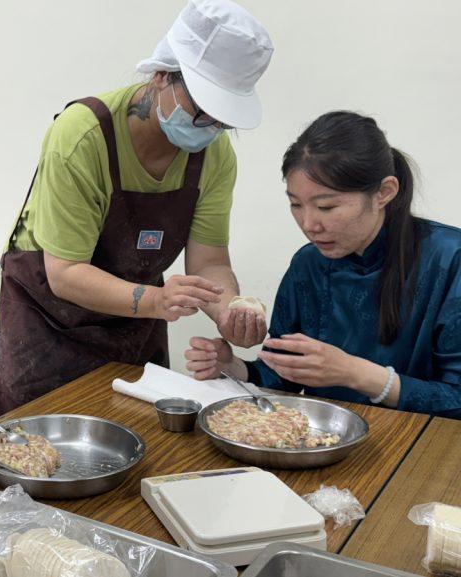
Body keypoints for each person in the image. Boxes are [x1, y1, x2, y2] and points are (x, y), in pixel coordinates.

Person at [0, 0, 275, 416]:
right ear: (162, 75)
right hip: (47, 323)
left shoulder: (215, 157)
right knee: (36, 451)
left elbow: (209, 261)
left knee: (141, 445)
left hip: (135, 324)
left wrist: (228, 310)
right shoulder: (82, 136)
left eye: (222, 120)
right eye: (202, 112)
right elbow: (65, 273)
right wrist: (157, 300)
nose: (212, 129)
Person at [186, 111, 461, 418]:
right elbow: (282, 376)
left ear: (384, 192)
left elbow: (456, 398)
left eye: (326, 206)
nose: (308, 224)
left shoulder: (450, 260)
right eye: (295, 204)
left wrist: (356, 373)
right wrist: (234, 367)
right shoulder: (308, 264)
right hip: (327, 440)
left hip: (423, 446)